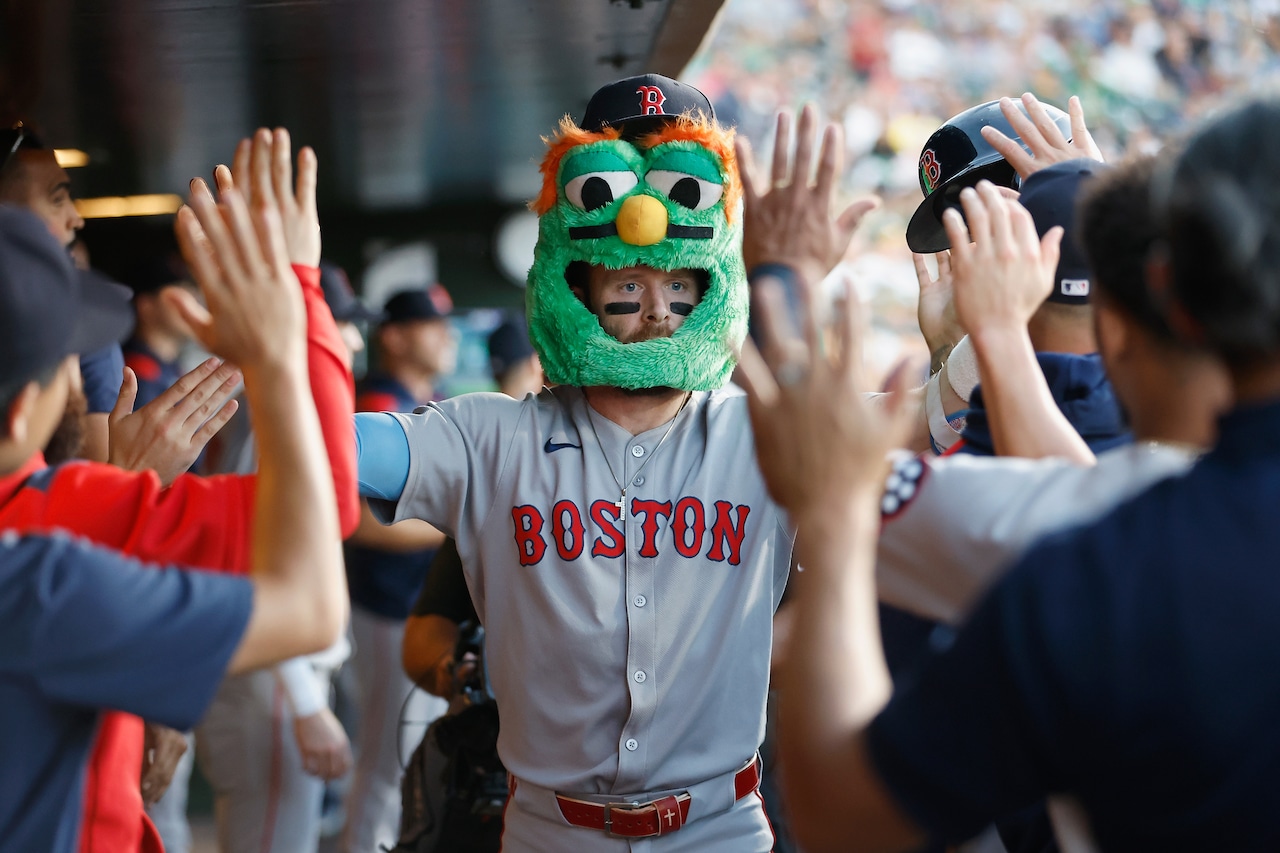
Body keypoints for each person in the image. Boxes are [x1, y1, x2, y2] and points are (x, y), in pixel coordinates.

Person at [356, 75, 873, 850]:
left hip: (720, 825)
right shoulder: (489, 436)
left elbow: (924, 437)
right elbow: (343, 448)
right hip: (547, 828)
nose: (660, 305)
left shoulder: (765, 432)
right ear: (580, 280)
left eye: (678, 282)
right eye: (628, 283)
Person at [754, 98, 1280, 853]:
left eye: (1015, 212)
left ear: (1170, 293)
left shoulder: (1102, 562)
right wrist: (984, 341)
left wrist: (786, 280)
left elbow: (847, 814)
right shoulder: (1110, 523)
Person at [0, 128, 360, 853]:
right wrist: (287, 334)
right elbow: (318, 548)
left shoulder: (63, 516)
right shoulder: (46, 552)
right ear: (19, 410)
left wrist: (113, 490)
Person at [0, 121, 128, 462]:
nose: (76, 218)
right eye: (57, 200)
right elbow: (102, 472)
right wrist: (138, 471)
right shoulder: (72, 321)